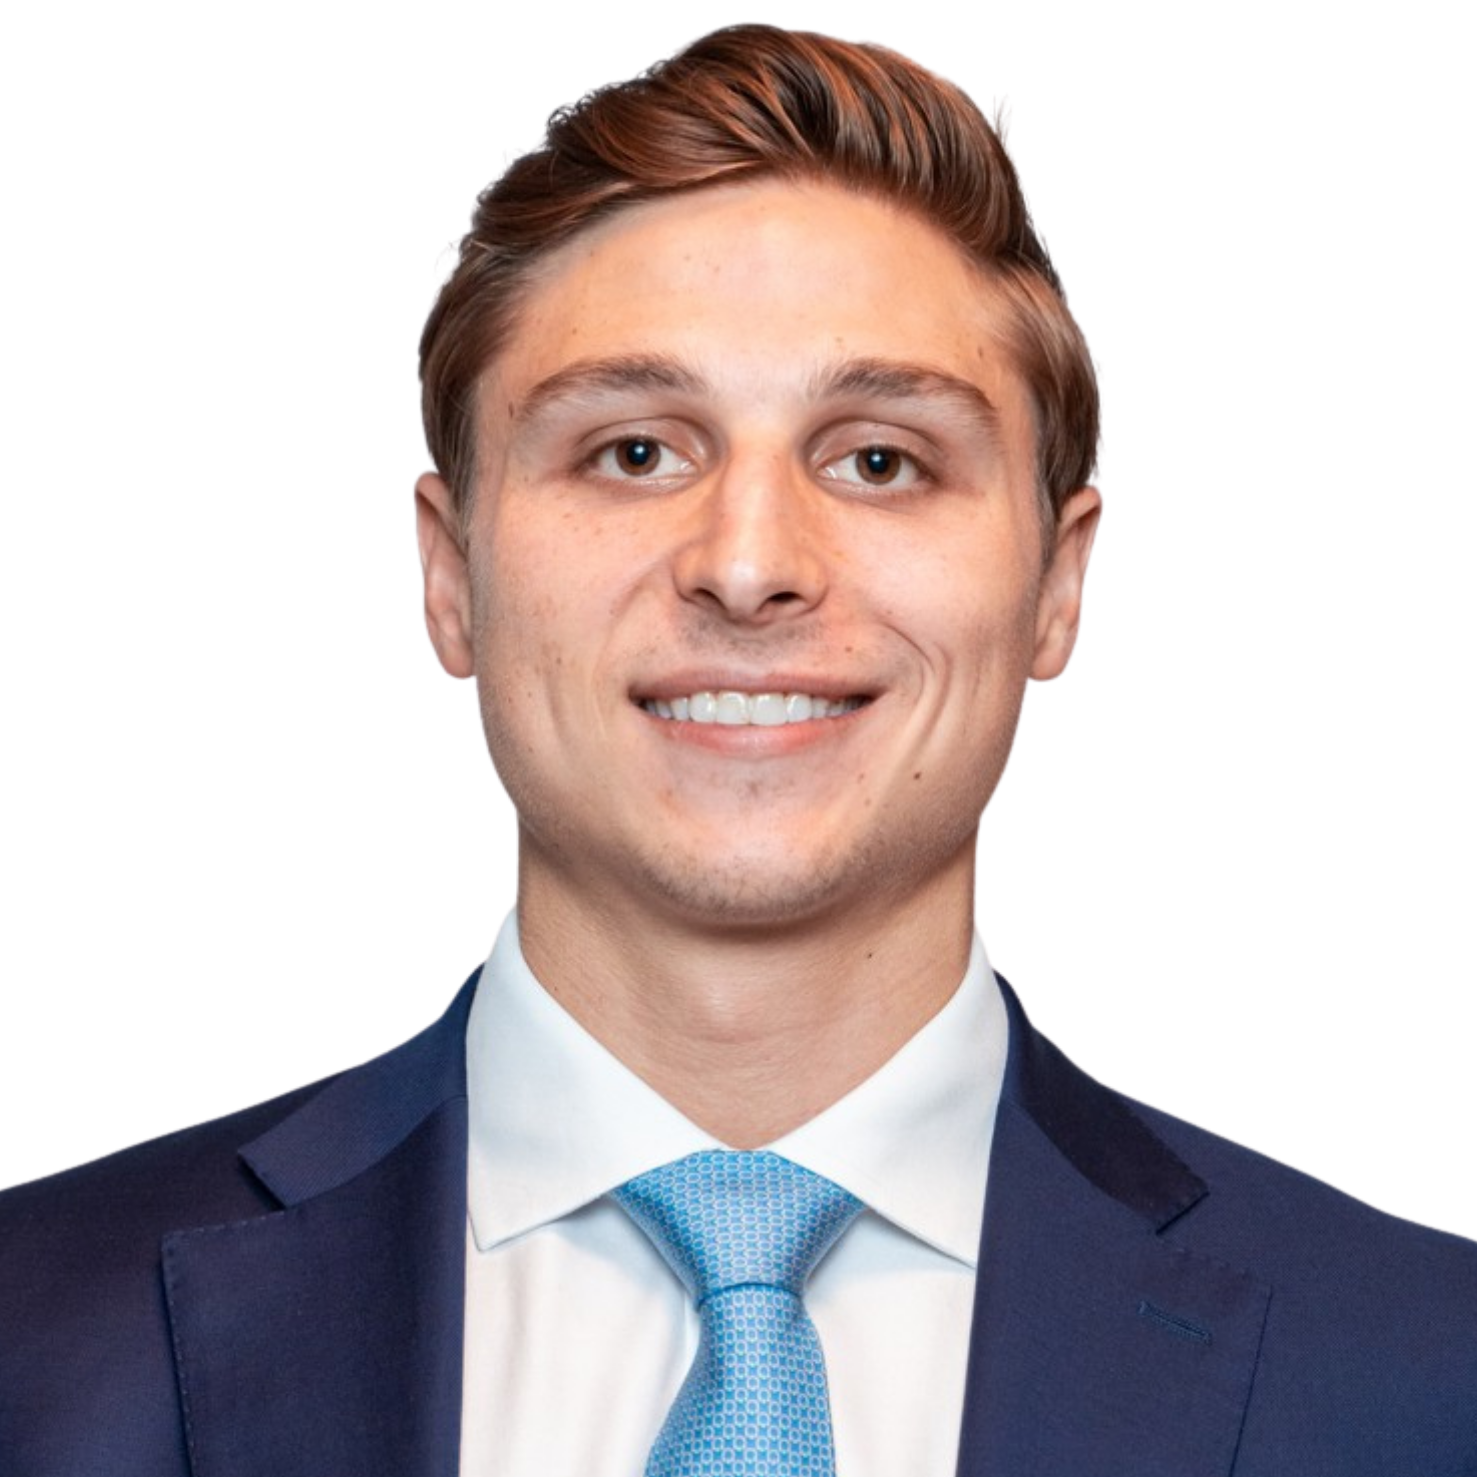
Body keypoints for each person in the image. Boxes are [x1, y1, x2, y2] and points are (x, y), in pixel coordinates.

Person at [0, 23, 1473, 1479]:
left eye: (880, 459)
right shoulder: (32, 1333)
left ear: (1057, 585)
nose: (750, 564)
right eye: (635, 450)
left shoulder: (1432, 1374)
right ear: (452, 576)